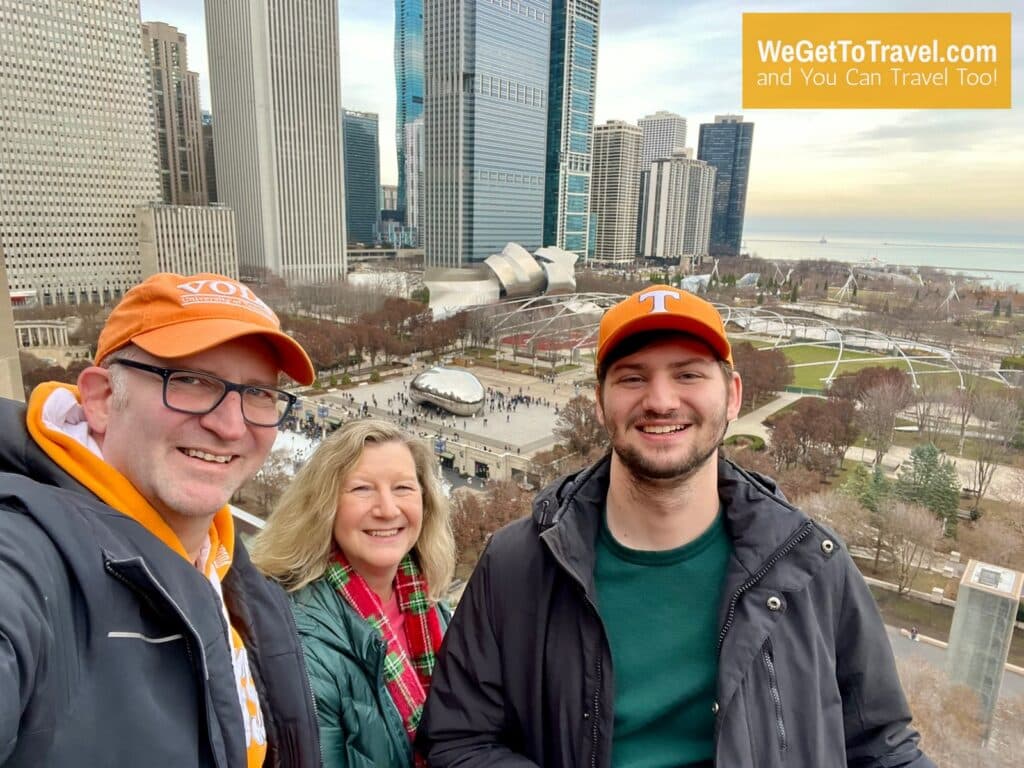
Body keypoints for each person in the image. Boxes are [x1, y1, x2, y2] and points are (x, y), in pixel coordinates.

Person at [418, 285, 935, 768]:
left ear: (732, 395)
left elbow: (883, 747)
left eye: (688, 374)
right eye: (632, 377)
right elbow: (456, 740)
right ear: (600, 402)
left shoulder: (812, 564)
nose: (661, 401)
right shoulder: (516, 564)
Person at [0, 272, 321, 767]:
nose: (230, 425)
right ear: (102, 399)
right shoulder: (27, 553)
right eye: (190, 380)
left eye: (258, 393)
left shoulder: (233, 572)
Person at [251, 419, 455, 767]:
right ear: (325, 505)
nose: (387, 509)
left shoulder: (429, 605)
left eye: (403, 488)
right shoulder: (298, 640)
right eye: (362, 489)